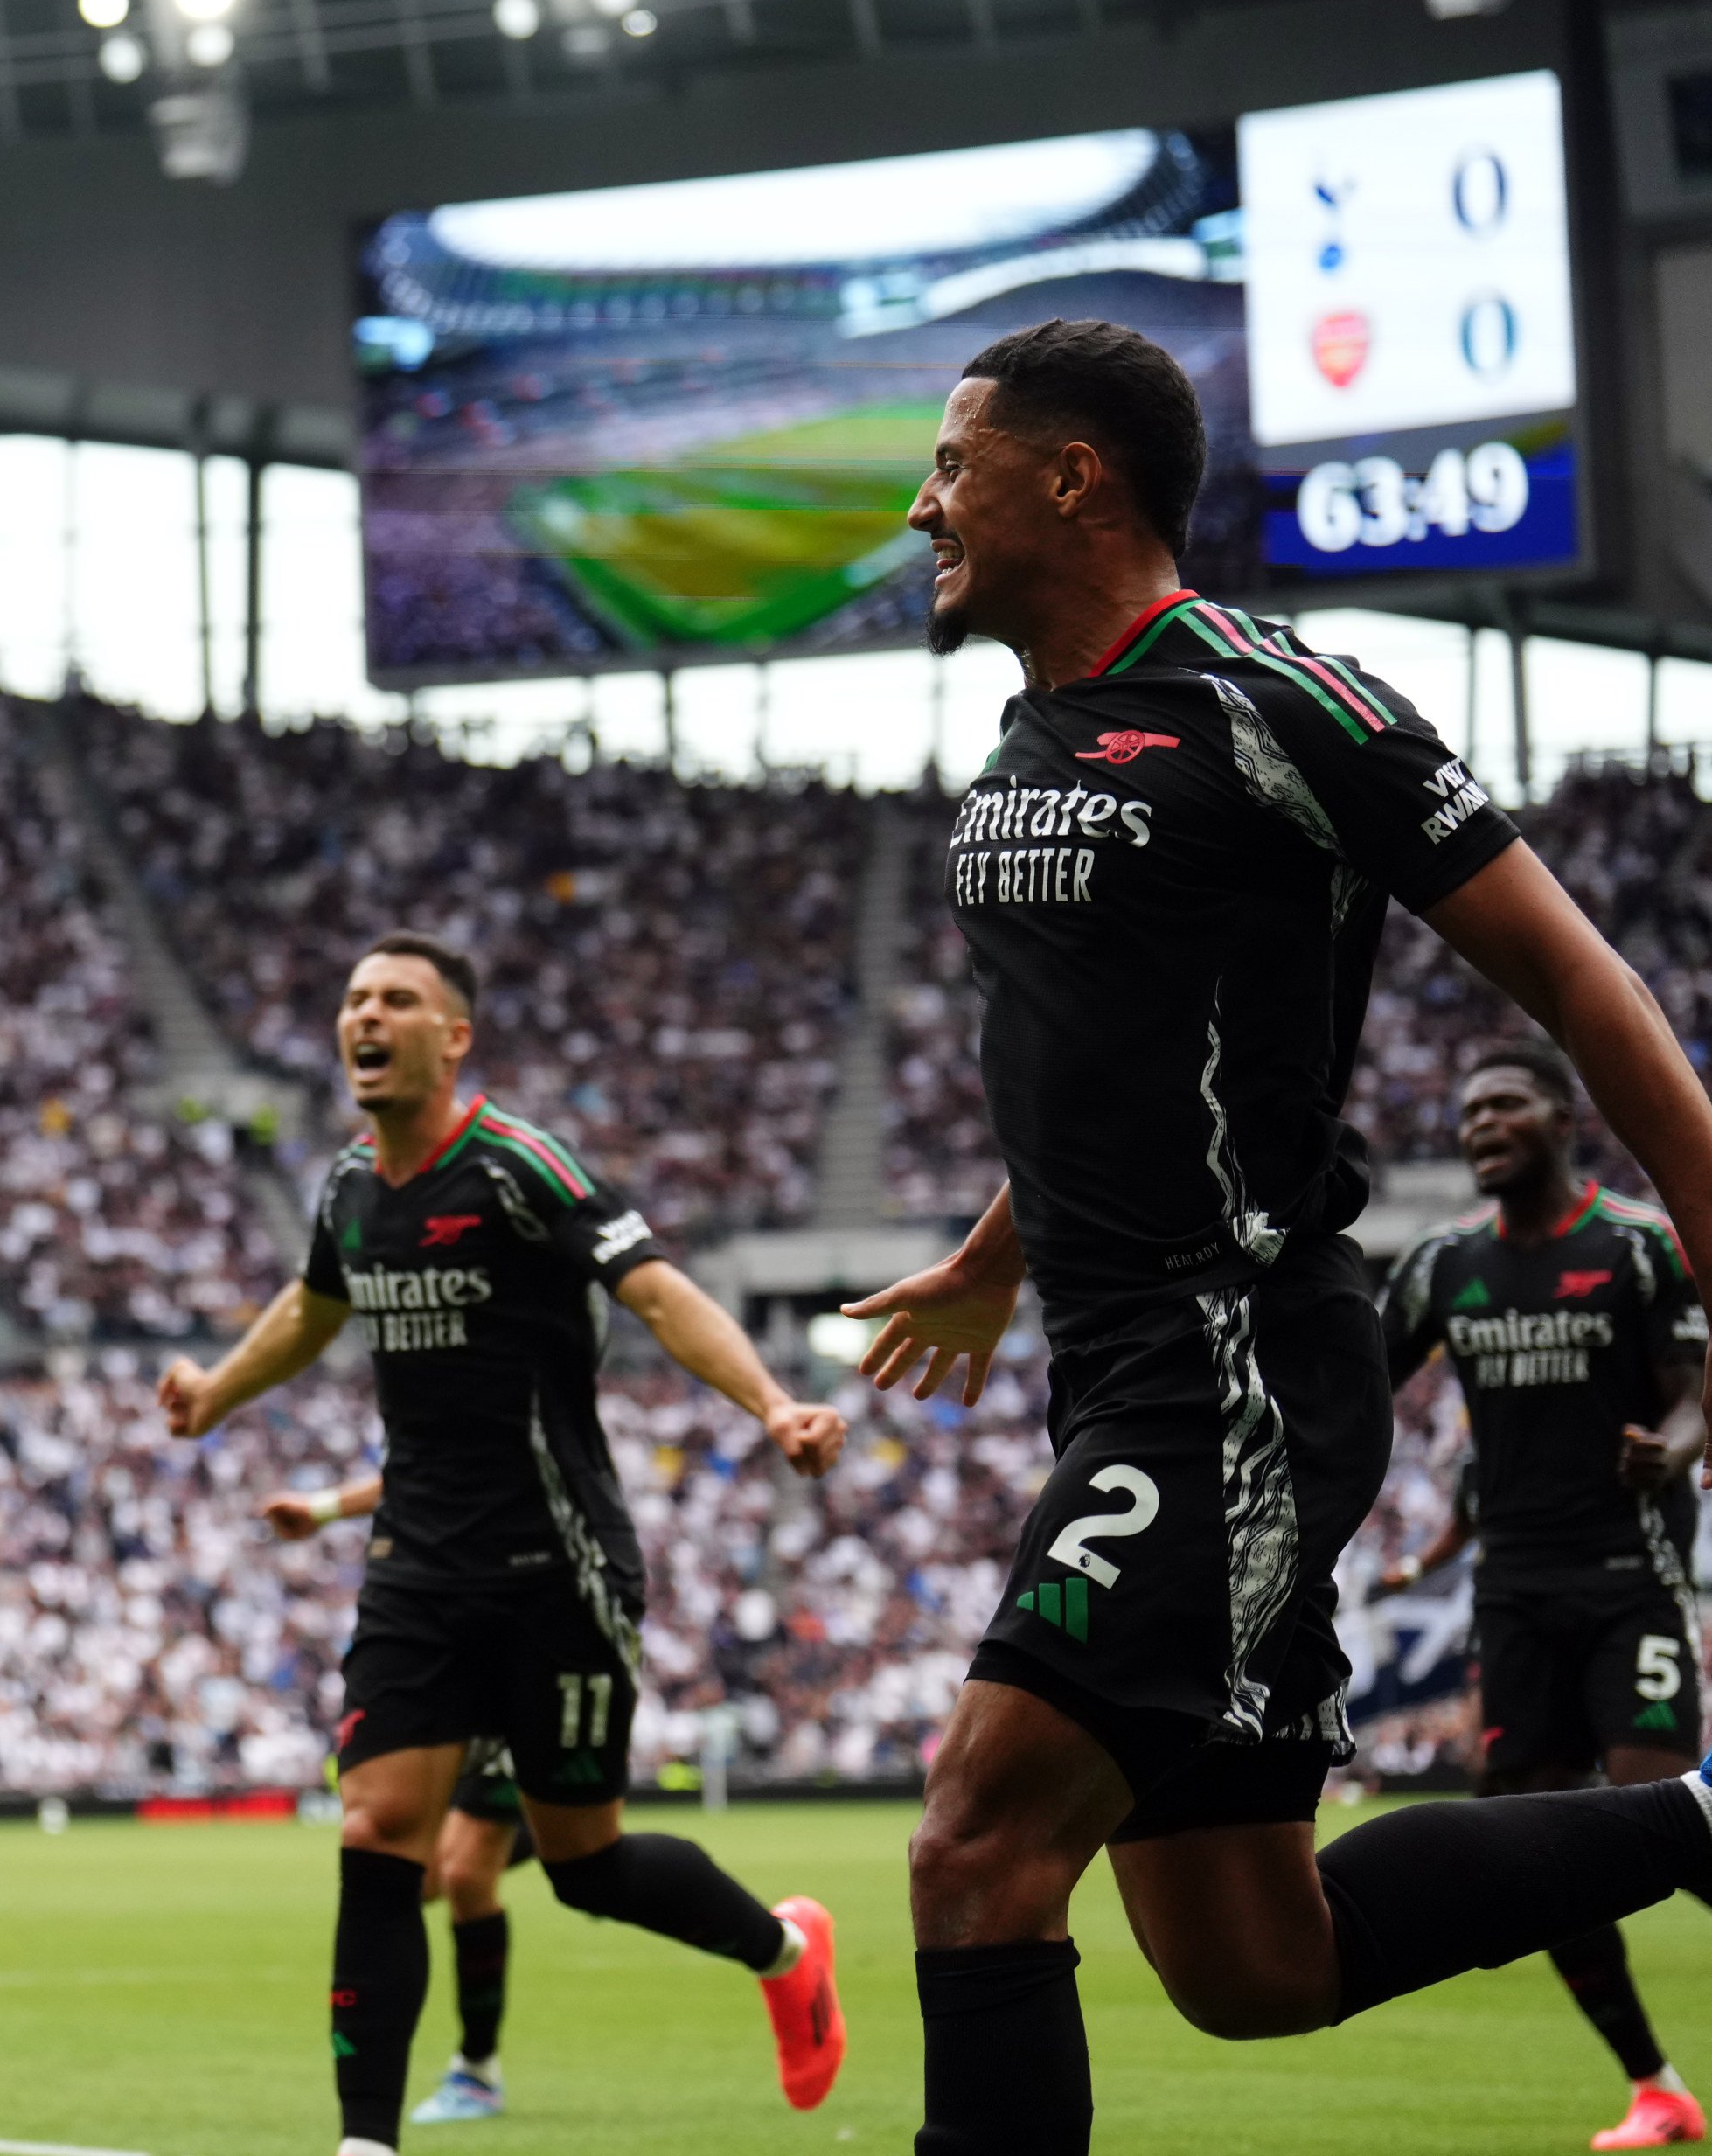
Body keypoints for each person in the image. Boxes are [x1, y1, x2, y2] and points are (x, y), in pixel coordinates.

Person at [842, 317, 1712, 2156]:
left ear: (1067, 475)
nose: (920, 502)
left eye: (951, 461)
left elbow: (1577, 977)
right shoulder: (1026, 737)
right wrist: (1001, 1248)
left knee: (976, 1837)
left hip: (1227, 1360)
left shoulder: (1278, 699)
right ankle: (1703, 1818)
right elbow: (1108, 1052)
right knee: (1254, 1957)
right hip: (1120, 1366)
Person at [162, 932, 853, 2156]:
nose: (364, 1016)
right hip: (417, 1568)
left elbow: (651, 1286)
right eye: (352, 999)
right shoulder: (343, 1188)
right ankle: (364, 2139)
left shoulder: (517, 1164)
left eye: (396, 999)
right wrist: (216, 1390)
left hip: (558, 1566)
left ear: (451, 1035)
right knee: (378, 1828)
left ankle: (786, 1947)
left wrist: (770, 1403)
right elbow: (312, 1304)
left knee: (582, 1862)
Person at [1381, 1041, 1709, 2151]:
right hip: (1514, 1590)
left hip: (1629, 1573)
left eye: (1504, 1104)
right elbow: (1358, 1382)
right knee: (1539, 1844)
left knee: (1656, 1803)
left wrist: (1669, 1453)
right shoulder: (1442, 1265)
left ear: (1562, 1118)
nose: (1479, 1123)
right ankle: (1656, 2085)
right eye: (1469, 1109)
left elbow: (1691, 1394)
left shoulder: (1634, 1244)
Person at [266, 1466, 539, 2126]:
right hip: (453, 1646)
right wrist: (323, 1507)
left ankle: (476, 2069)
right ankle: (560, 1842)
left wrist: (323, 1507)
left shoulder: (505, 1400)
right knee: (422, 1880)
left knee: (472, 1871)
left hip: (514, 1636)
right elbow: (416, 1471)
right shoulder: (435, 1409)